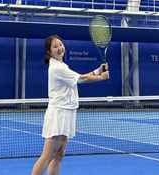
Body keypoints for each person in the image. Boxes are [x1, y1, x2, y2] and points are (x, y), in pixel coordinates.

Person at [31, 35, 109, 175]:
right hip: (59, 113)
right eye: (55, 46)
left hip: (68, 112)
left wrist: (98, 71)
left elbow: (77, 78)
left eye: (60, 45)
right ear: (49, 52)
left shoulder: (62, 66)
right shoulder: (57, 68)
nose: (60, 48)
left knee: (59, 155)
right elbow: (81, 79)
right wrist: (101, 78)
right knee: (48, 155)